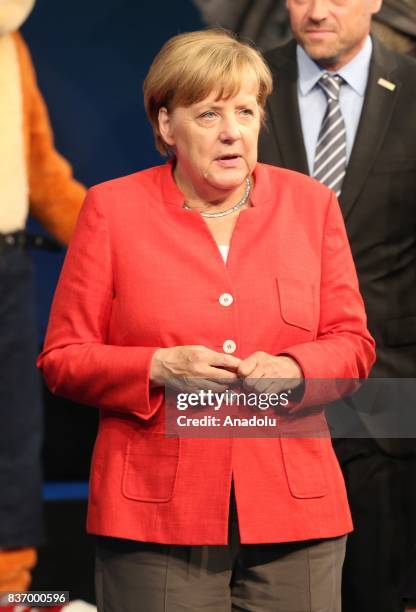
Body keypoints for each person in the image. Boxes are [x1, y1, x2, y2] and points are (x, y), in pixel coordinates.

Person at [38, 28, 374, 612]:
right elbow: (63, 359)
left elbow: (352, 344)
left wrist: (295, 368)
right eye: (208, 112)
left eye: (245, 111)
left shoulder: (311, 205)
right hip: (156, 515)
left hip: (296, 507)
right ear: (167, 126)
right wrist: (157, 366)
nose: (231, 131)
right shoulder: (112, 210)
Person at [258, 0, 416, 610]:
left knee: (376, 587)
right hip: (267, 382)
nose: (317, 11)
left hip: (390, 389)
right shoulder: (246, 85)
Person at [0, 0, 85, 593]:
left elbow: (41, 169)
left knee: (14, 432)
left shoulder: (12, 46)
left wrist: (120, 240)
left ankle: (11, 587)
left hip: (8, 266)